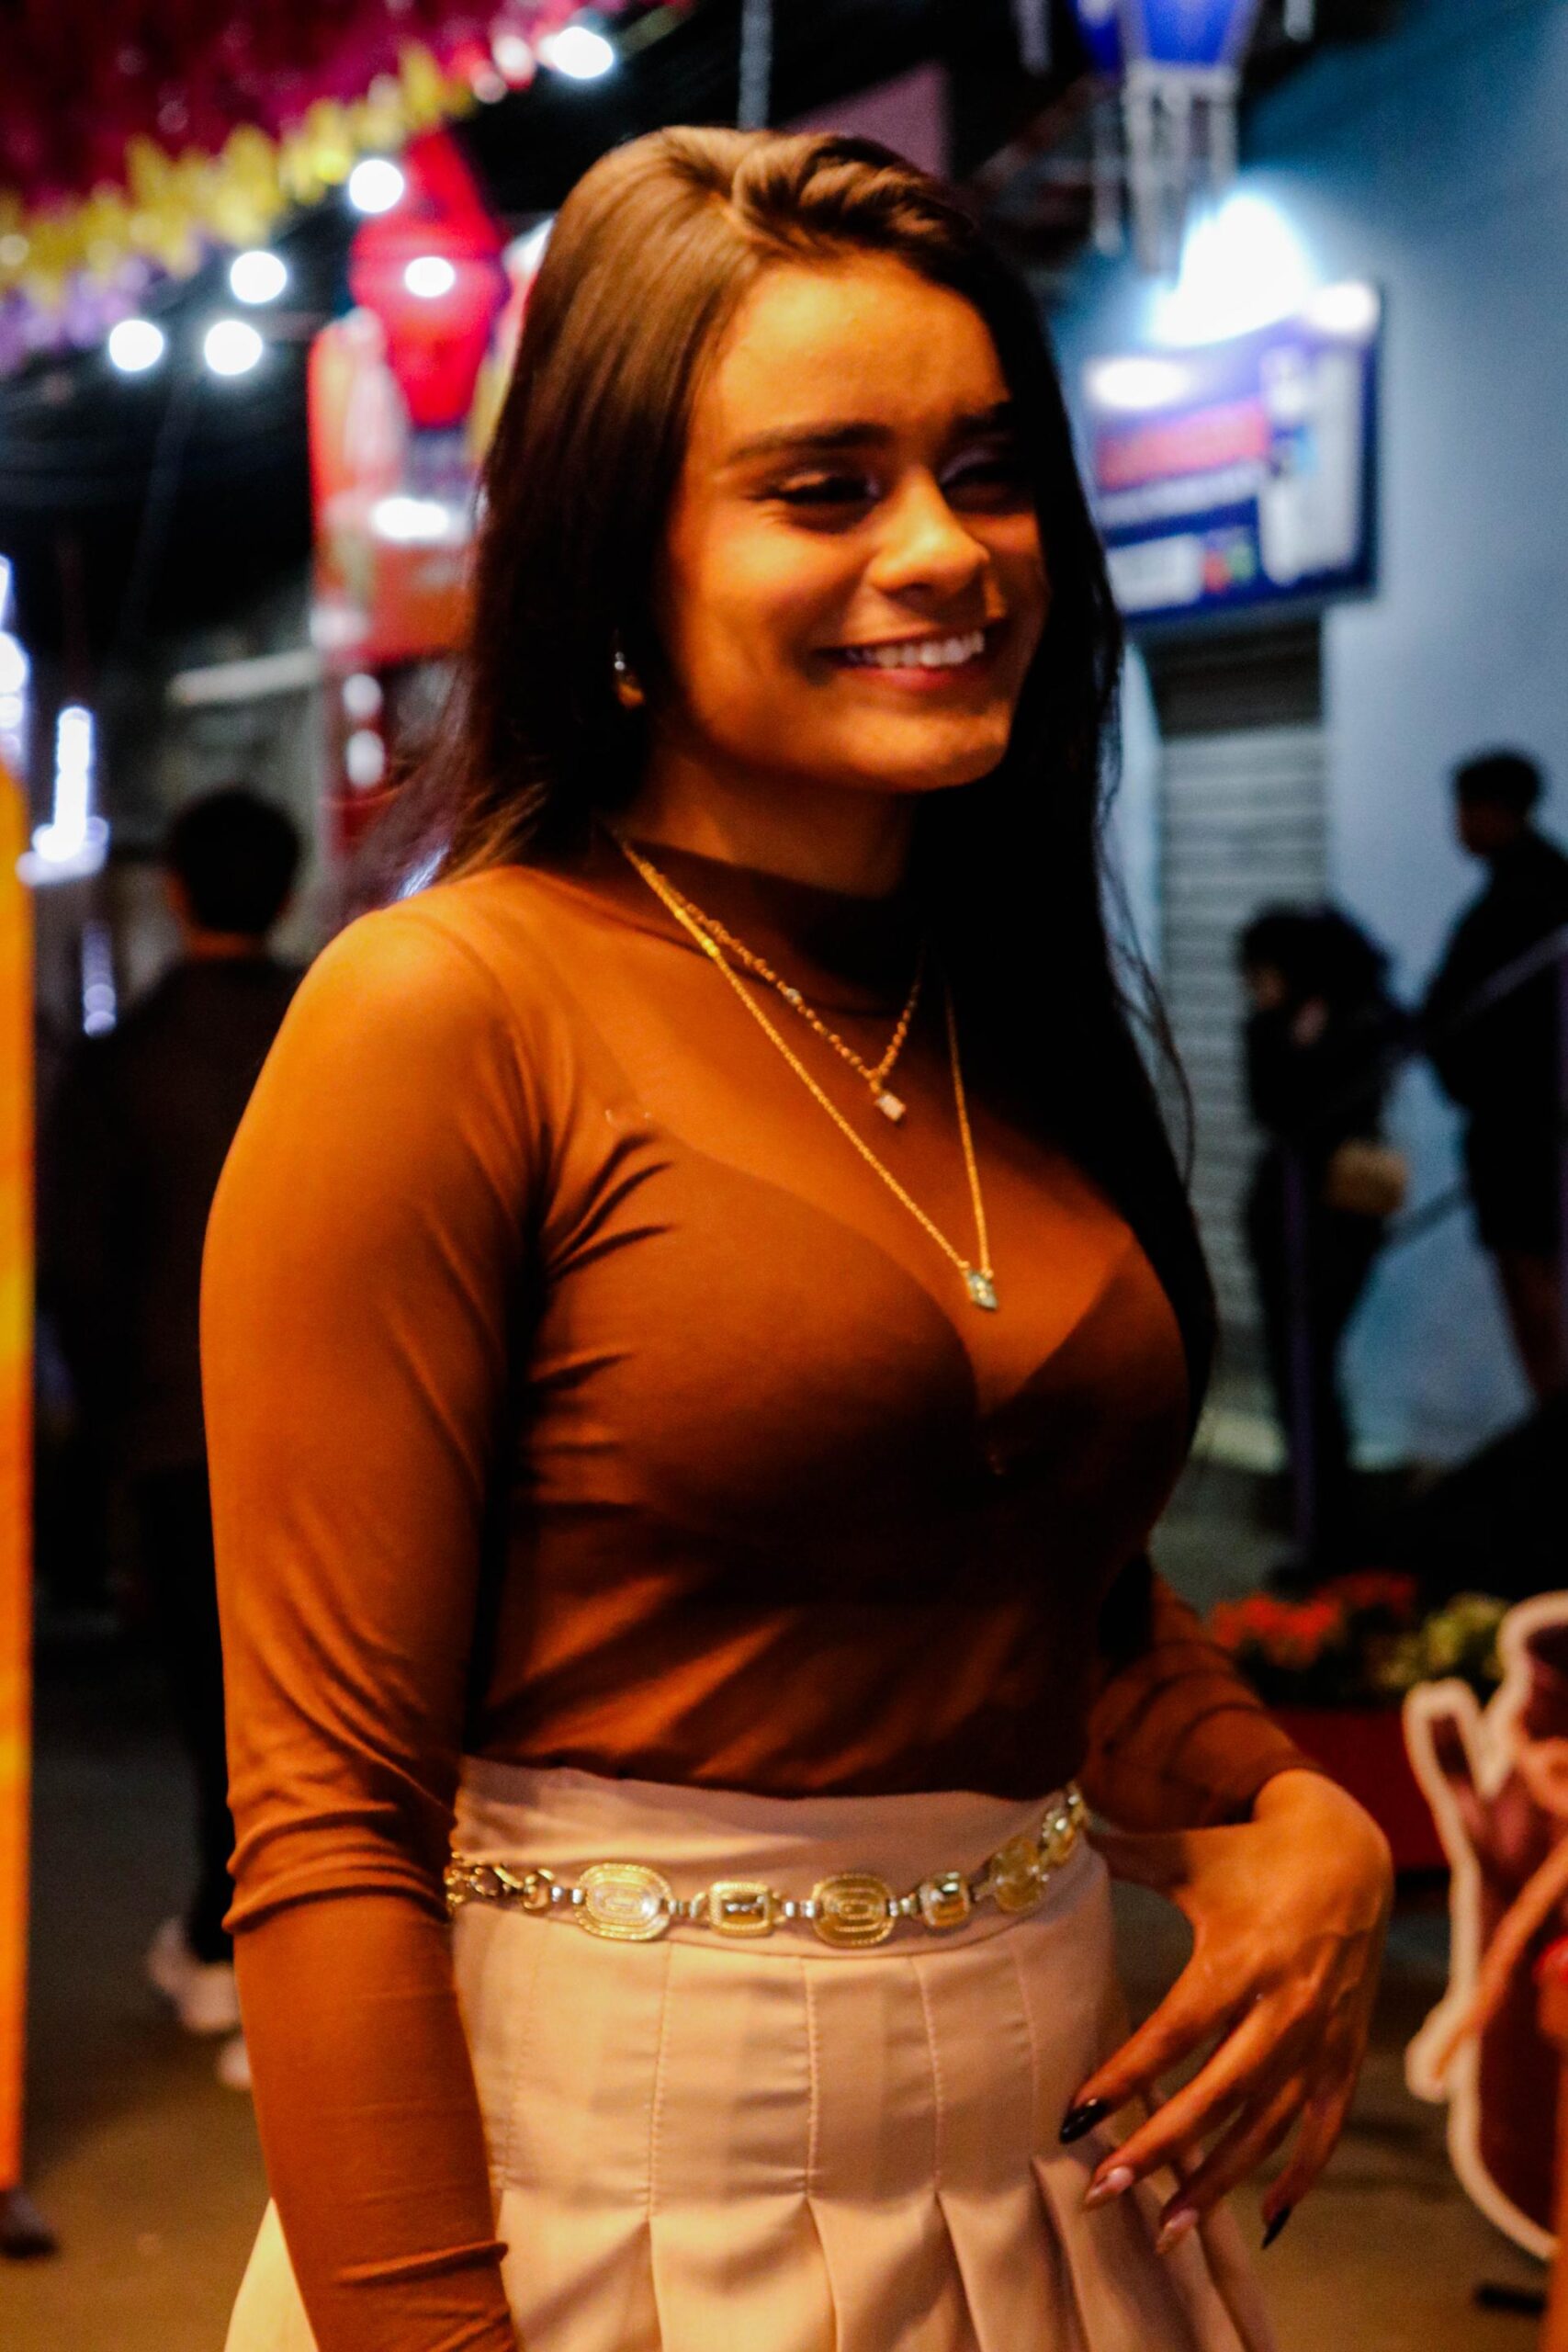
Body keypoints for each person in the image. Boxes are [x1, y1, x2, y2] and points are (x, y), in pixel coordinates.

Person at [206, 131, 1393, 2352]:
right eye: (824, 488)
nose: (943, 549)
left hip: (1058, 2194)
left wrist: (1275, 1801)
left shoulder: (996, 993)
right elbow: (327, 1822)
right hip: (608, 2217)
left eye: (983, 471)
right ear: (615, 570)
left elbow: (1040, 1589)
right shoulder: (444, 1012)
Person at [48, 786, 300, 2085]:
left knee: (222, 1706)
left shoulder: (124, 1062)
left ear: (177, 891)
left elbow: (79, 1266)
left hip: (180, 1428)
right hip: (348, 1428)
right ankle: (263, 1950)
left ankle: (240, 1948)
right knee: (343, 1700)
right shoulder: (337, 1027)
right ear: (288, 887)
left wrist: (107, 1430)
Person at [1237, 906, 1405, 1573]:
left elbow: (1299, 1108)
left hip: (1328, 1217)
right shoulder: (1280, 1025)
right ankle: (1322, 1518)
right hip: (1288, 1217)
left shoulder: (1357, 1022)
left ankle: (1329, 1524)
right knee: (1298, 1368)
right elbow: (1271, 1107)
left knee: (1308, 1367)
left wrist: (1300, 1045)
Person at [1424, 750, 1568, 1400]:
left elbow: (1471, 1013)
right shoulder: (1533, 886)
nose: (1455, 825)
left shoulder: (1523, 899)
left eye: (1462, 809)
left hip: (1524, 1129)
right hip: (1524, 1124)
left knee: (1534, 1286)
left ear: (1493, 810)